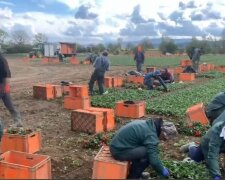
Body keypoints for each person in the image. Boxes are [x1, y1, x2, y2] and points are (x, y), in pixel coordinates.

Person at [109, 118, 177, 179]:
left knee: (148, 151)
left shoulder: (149, 125)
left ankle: (137, 173)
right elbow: (154, 160)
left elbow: (153, 150)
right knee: (148, 153)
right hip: (119, 151)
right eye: (165, 138)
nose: (163, 140)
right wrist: (162, 170)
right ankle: (134, 177)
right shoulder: (151, 135)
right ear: (162, 132)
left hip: (118, 146)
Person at [0, 52, 23, 127]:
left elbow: (6, 74)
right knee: (9, 104)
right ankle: (18, 120)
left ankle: (18, 121)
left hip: (2, 85)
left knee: (9, 104)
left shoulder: (2, 60)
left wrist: (6, 86)